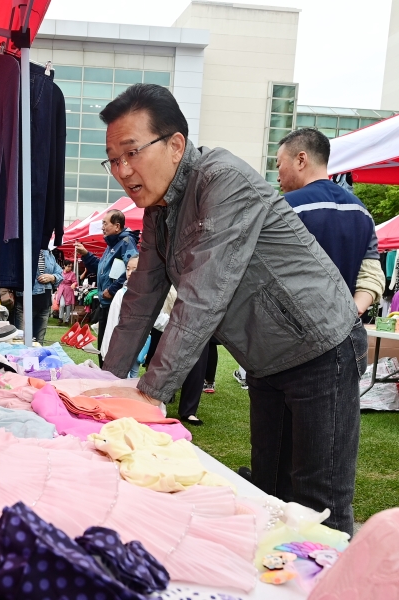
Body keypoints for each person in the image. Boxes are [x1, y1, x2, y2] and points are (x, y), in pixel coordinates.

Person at [99, 83, 364, 536]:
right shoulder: (159, 213)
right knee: (269, 494)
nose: (122, 170)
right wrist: (102, 385)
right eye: (113, 159)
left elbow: (203, 292)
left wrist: (149, 394)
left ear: (176, 144)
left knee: (320, 507)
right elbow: (141, 299)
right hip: (265, 361)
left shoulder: (222, 179)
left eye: (132, 152)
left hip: (322, 349)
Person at [277, 128, 385, 316]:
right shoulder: (362, 212)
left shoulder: (283, 208)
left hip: (290, 332)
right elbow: (372, 276)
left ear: (301, 160)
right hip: (341, 333)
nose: (278, 176)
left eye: (279, 165)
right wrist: (351, 312)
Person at [74, 209, 139, 345]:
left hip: (115, 303)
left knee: (110, 345)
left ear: (117, 226)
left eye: (105, 223)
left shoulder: (127, 242)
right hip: (106, 302)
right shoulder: (111, 245)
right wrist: (86, 254)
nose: (102, 227)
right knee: (103, 344)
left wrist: (112, 290)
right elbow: (100, 269)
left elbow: (133, 270)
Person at [100, 256, 142, 378]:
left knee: (133, 377)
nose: (129, 273)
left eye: (135, 269)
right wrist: (106, 350)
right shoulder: (121, 294)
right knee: (123, 379)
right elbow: (112, 323)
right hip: (122, 347)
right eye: (128, 269)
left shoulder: (147, 294)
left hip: (138, 346)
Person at [14, 248, 63, 345]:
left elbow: (60, 273)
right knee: (22, 342)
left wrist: (53, 277)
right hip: (25, 302)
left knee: (39, 343)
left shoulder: (48, 253)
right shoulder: (23, 248)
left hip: (44, 303)